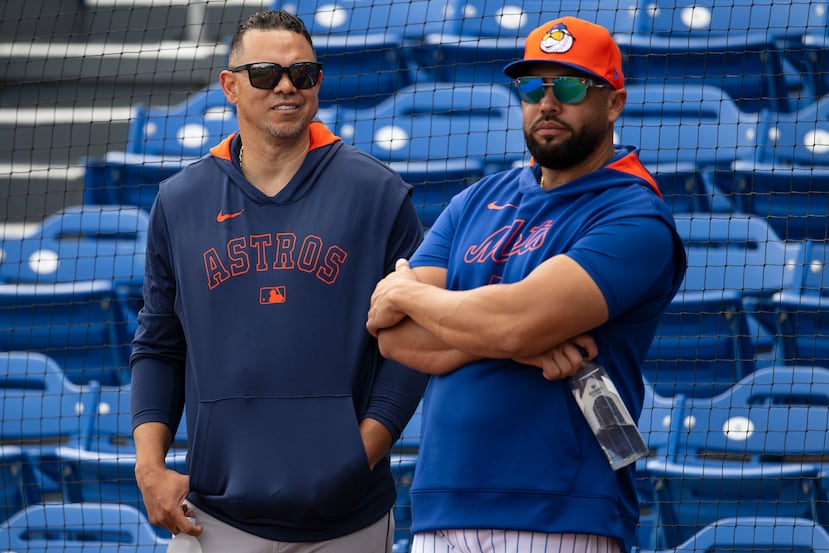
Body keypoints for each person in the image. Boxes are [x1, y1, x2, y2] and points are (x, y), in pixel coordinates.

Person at [366, 16, 687, 553]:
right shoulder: (476, 200)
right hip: (442, 506)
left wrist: (410, 293)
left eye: (570, 87)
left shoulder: (634, 215)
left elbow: (514, 323)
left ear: (614, 103)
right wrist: (518, 342)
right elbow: (393, 336)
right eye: (533, 87)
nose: (548, 102)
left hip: (560, 511)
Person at [130, 10, 428, 553]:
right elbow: (158, 345)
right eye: (266, 73)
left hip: (349, 518)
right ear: (230, 87)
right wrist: (149, 467)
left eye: (302, 73)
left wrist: (360, 451)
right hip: (214, 515)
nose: (286, 86)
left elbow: (411, 345)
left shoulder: (378, 193)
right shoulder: (179, 201)